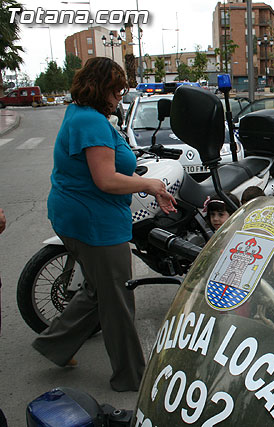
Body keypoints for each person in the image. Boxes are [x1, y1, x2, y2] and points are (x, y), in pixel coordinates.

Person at [32, 57, 177, 392]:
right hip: (93, 222)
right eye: (117, 89)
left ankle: (54, 344)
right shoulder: (90, 123)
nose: (119, 96)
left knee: (98, 291)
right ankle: (131, 377)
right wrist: (150, 185)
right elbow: (106, 180)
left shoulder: (83, 115)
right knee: (117, 301)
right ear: (102, 88)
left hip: (80, 216)